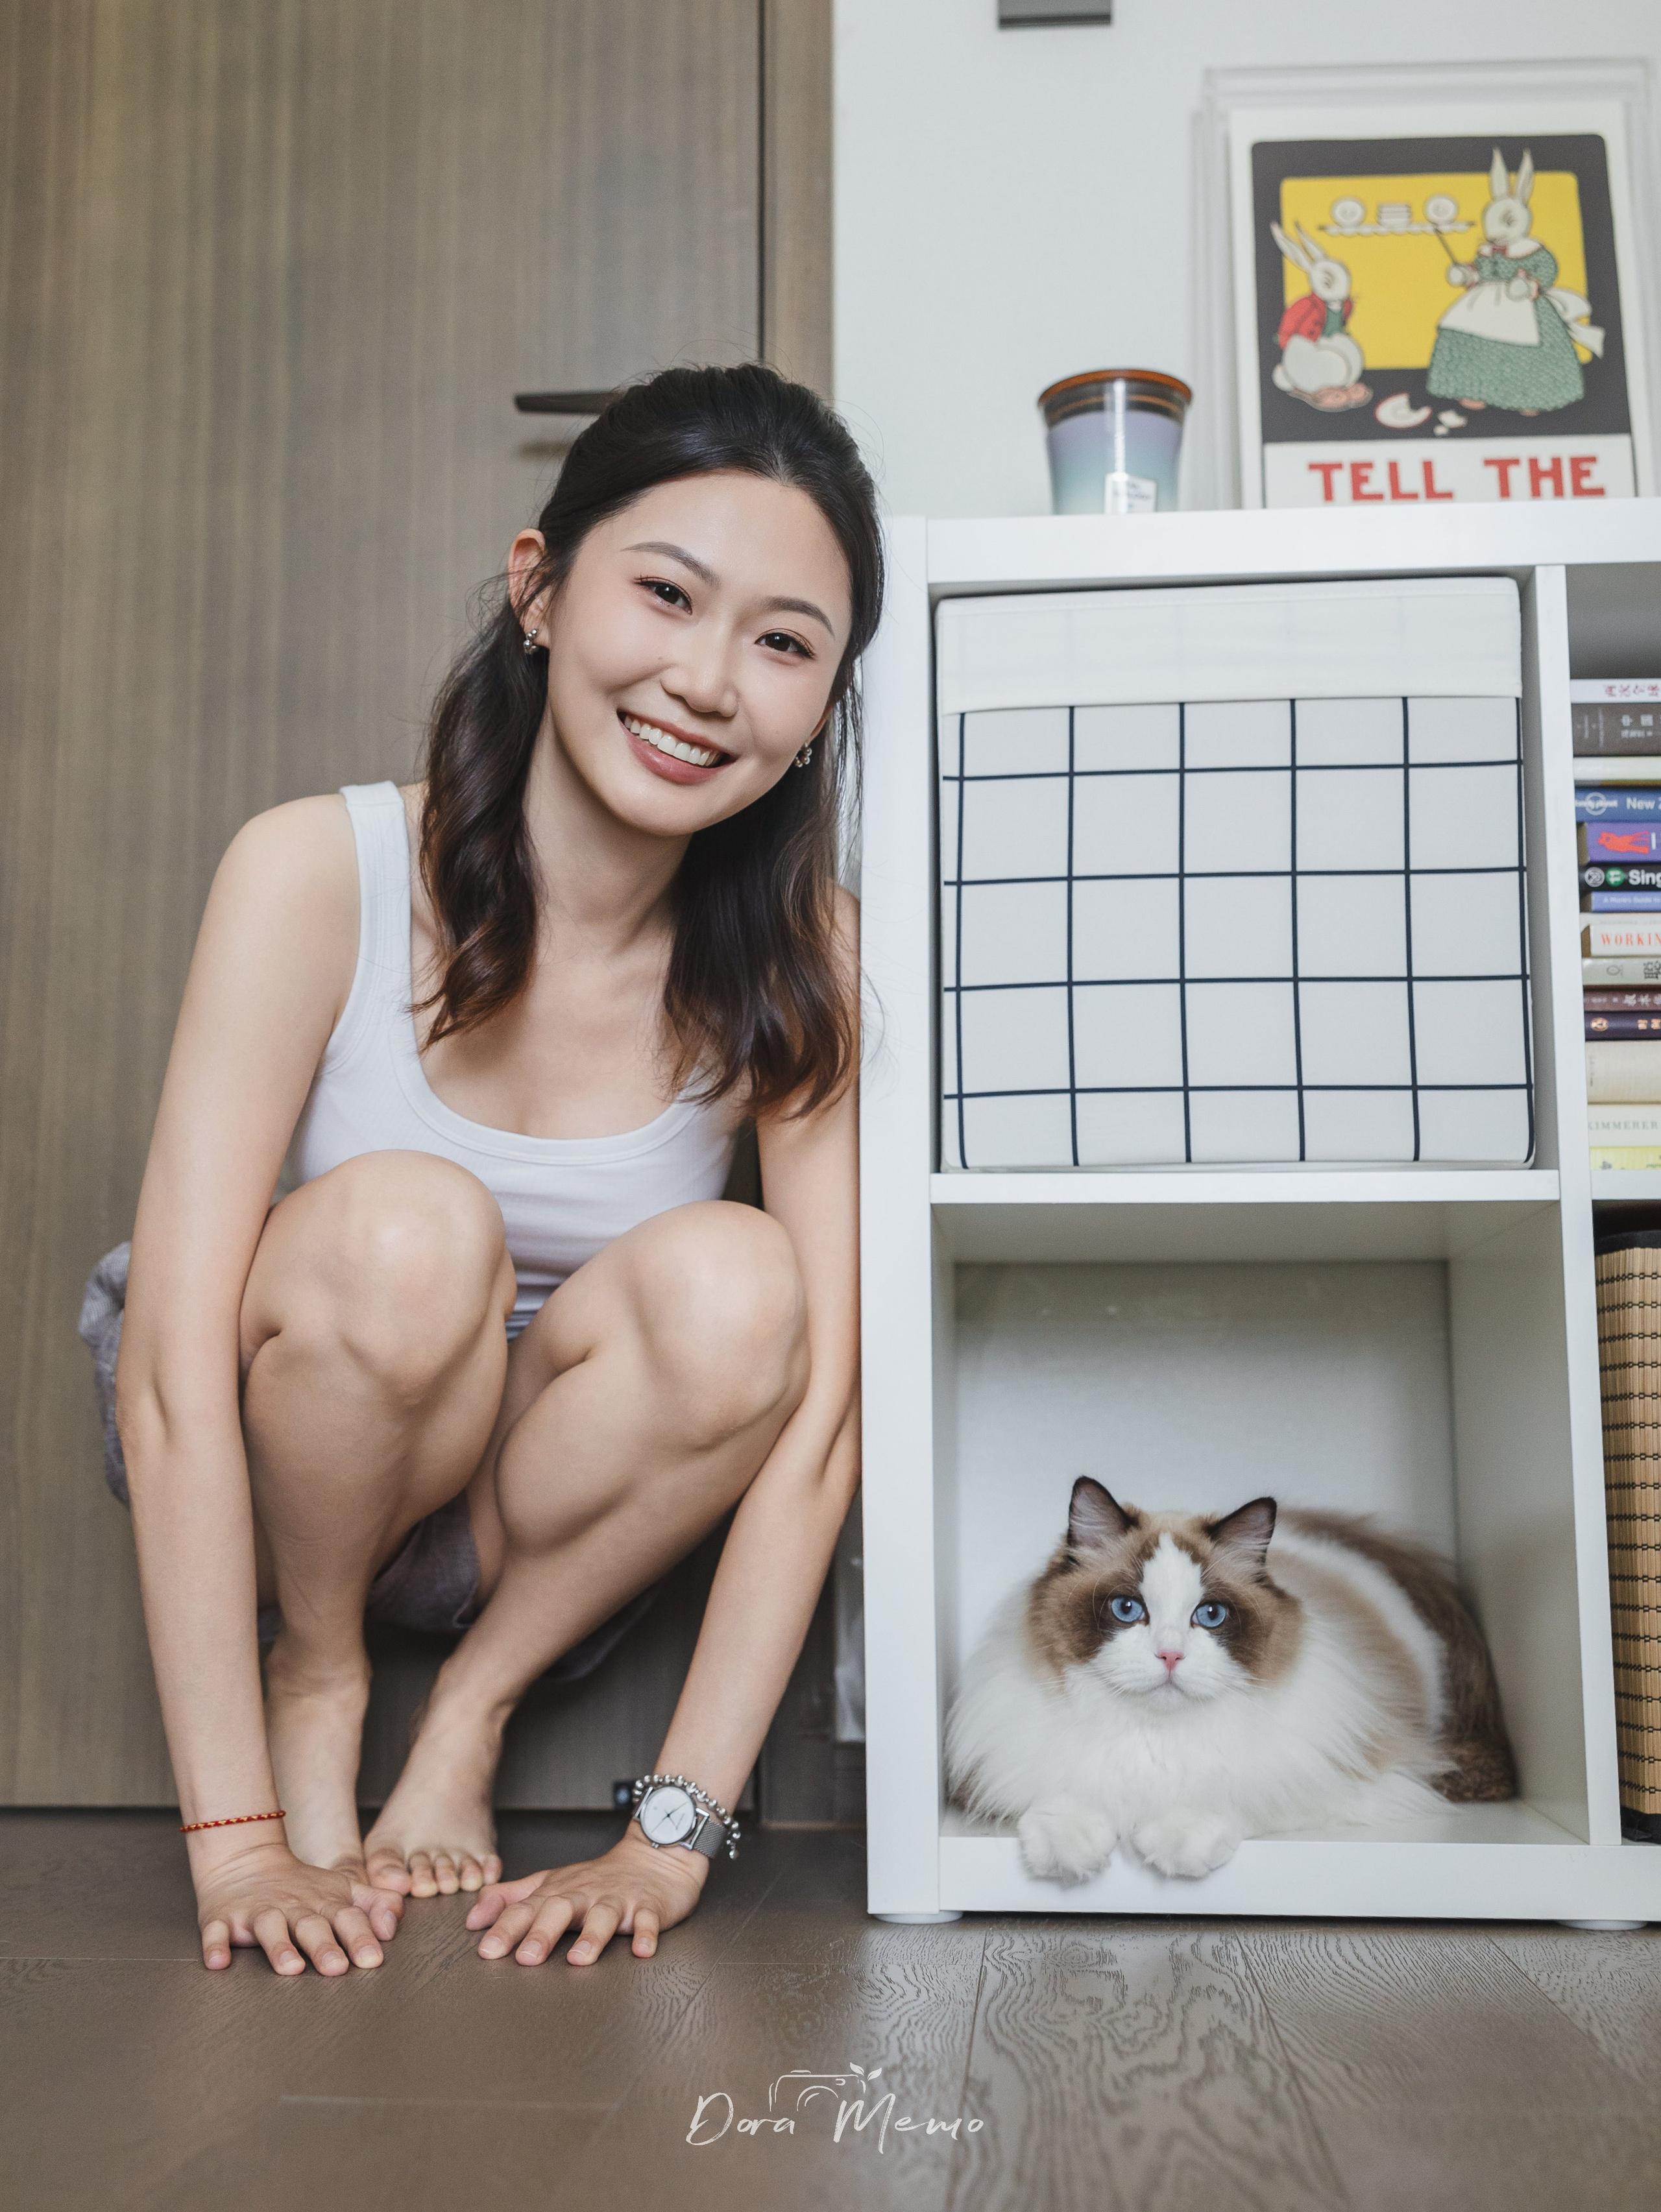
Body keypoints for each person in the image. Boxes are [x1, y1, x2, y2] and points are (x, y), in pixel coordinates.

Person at [110, 364, 880, 1977]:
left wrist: (673, 1841)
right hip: (300, 1444)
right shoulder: (316, 869)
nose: (706, 681)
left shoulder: (797, 951)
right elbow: (178, 1368)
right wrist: (236, 1844)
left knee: (757, 1286)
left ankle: (466, 1708)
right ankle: (317, 1673)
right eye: (665, 594)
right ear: (537, 589)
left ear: (820, 706)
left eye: (783, 643)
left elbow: (820, 1427)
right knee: (408, 1224)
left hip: (547, 1512)